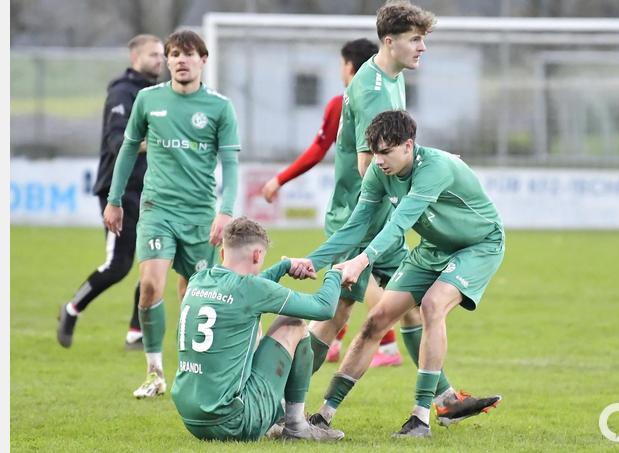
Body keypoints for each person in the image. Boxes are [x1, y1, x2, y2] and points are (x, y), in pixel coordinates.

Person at [292, 110, 504, 437]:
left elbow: (399, 224)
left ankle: (420, 419)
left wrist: (360, 262)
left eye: (386, 152)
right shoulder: (379, 172)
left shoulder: (434, 168)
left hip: (478, 245)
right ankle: (323, 416)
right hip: (435, 246)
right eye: (375, 152)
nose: (378, 161)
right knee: (376, 320)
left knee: (432, 306)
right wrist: (312, 261)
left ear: (408, 145)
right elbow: (356, 225)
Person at [288, 0, 439, 380]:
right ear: (389, 42)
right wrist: (416, 184)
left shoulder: (393, 75)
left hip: (378, 214)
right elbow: (366, 164)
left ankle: (440, 399)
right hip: (362, 214)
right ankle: (278, 396)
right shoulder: (372, 90)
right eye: (416, 39)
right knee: (336, 315)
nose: (423, 47)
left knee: (408, 308)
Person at [103, 30, 240, 398]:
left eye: (190, 54)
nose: (182, 60)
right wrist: (114, 199)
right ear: (167, 60)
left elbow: (230, 161)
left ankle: (190, 370)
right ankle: (154, 372)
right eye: (175, 54)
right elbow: (129, 150)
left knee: (192, 296)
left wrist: (225, 210)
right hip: (156, 208)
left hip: (198, 214)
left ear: (203, 60)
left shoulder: (219, 106)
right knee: (150, 285)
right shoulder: (148, 100)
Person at [260, 38, 401, 367]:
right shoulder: (389, 93)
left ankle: (288, 382)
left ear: (350, 67)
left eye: (341, 64)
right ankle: (436, 392)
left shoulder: (345, 101)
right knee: (403, 294)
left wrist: (279, 179)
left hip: (356, 212)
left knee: (350, 290)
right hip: (381, 210)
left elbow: (318, 149)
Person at [170, 217, 345, 442]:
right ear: (256, 255)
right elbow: (324, 308)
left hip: (191, 418)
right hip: (232, 421)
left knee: (250, 325)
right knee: (293, 323)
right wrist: (336, 273)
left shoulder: (198, 280)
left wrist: (283, 267)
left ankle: (277, 417)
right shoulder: (251, 289)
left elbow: (245, 290)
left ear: (223, 253)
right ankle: (296, 425)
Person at [57, 34, 164, 350]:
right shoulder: (121, 92)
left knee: (153, 259)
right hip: (120, 189)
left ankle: (135, 331)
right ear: (136, 58)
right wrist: (160, 144)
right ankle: (72, 308)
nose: (160, 60)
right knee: (118, 266)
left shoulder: (161, 94)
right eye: (154, 55)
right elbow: (118, 142)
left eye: (162, 55)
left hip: (153, 190)